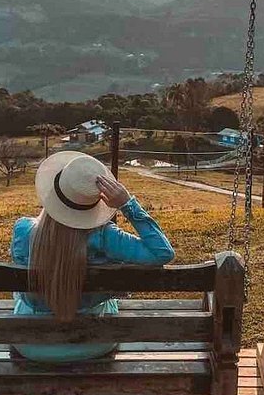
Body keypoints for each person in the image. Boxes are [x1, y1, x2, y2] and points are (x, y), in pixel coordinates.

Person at [9, 150, 174, 363]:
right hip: (94, 343)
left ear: (52, 193)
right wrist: (127, 204)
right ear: (96, 200)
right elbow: (162, 252)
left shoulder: (23, 230)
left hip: (31, 344)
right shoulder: (106, 237)